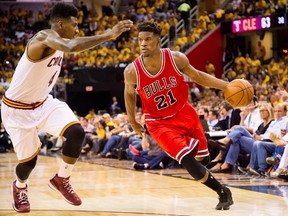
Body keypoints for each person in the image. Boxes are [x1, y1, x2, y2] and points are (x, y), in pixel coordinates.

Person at [1, 3, 133, 213]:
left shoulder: (61, 41)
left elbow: (71, 44)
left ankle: (62, 178)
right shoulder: (44, 37)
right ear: (60, 25)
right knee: (28, 163)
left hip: (43, 103)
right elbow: (71, 46)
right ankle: (19, 187)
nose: (77, 29)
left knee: (76, 132)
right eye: (74, 25)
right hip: (17, 110)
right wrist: (108, 35)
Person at [124, 21, 233, 210]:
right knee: (188, 162)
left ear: (158, 41)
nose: (143, 44)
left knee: (203, 160)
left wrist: (226, 86)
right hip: (158, 123)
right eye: (140, 40)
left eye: (148, 39)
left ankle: (201, 143)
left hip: (184, 112)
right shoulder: (132, 71)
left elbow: (198, 76)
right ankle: (222, 191)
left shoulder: (176, 59)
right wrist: (132, 120)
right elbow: (129, 95)